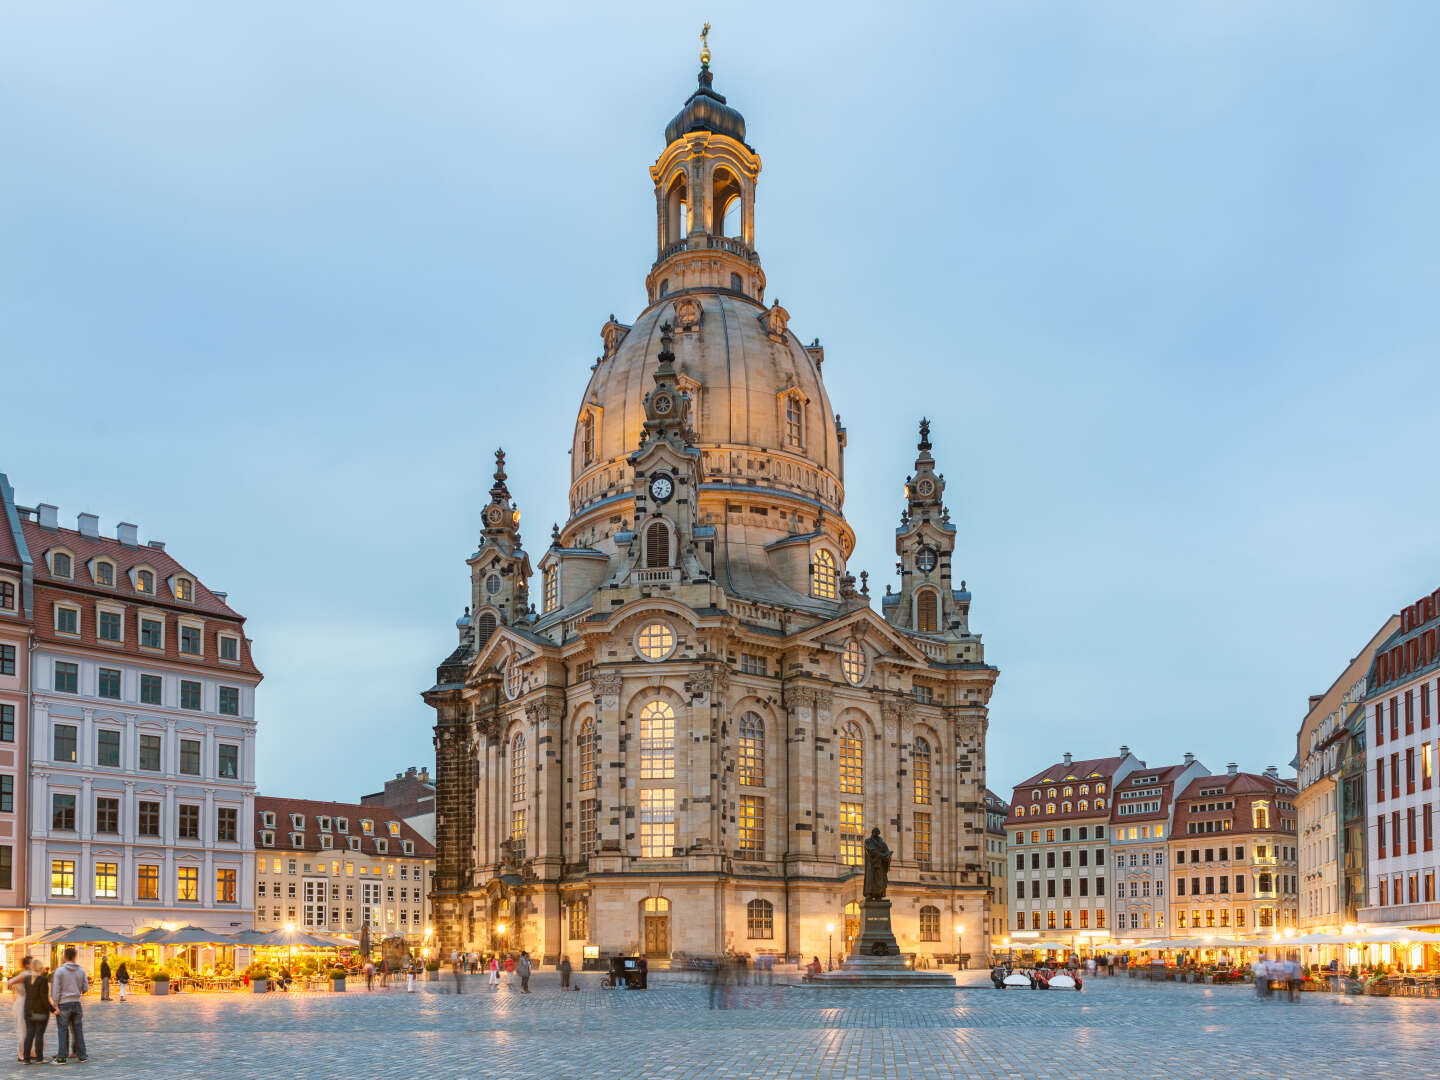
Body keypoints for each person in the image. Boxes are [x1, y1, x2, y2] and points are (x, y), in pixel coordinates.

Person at [51, 947, 89, 1064]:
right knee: (78, 1030)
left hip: (63, 1004)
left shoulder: (60, 971)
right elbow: (86, 988)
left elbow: (56, 990)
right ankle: (82, 1055)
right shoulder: (81, 971)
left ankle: (62, 1057)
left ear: (65, 956)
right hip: (77, 1003)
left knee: (62, 1030)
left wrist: (55, 1004)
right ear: (75, 956)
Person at [22, 959, 55, 1065]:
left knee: (29, 1034)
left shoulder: (27, 979)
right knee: (39, 1034)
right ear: (41, 968)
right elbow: (44, 998)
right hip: (40, 1011)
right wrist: (53, 1009)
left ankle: (26, 1058)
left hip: (28, 1010)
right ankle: (39, 1058)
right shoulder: (42, 980)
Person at [6, 957, 31, 1062]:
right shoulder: (25, 974)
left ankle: (29, 1051)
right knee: (23, 1028)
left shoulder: (30, 974)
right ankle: (21, 1053)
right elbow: (10, 982)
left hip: (28, 1002)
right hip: (23, 1002)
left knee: (30, 1028)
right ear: (27, 965)